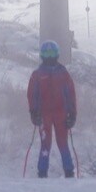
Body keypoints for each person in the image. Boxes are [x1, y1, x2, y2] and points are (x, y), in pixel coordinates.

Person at [26, 40, 78, 178]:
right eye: (46, 53)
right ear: (42, 55)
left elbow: (71, 94)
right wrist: (34, 112)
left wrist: (72, 114)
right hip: (44, 115)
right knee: (45, 144)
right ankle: (42, 173)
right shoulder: (36, 75)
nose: (49, 56)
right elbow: (32, 95)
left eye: (52, 53)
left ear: (57, 54)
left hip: (61, 114)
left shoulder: (63, 73)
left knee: (63, 143)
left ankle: (69, 172)